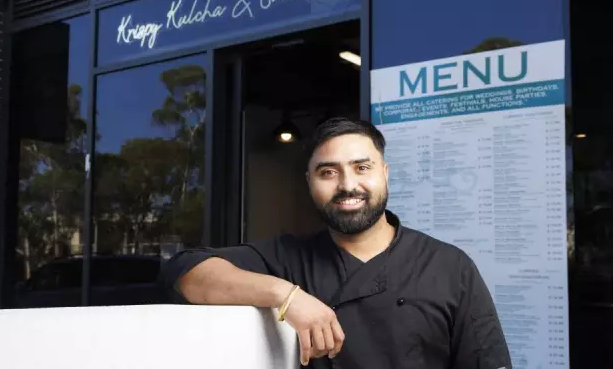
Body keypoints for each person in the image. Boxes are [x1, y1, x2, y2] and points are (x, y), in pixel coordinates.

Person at [159, 117, 512, 369]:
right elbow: (185, 271)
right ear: (309, 182)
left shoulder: (449, 266)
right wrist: (286, 296)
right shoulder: (288, 258)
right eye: (329, 172)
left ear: (384, 174)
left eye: (362, 168)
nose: (347, 185)